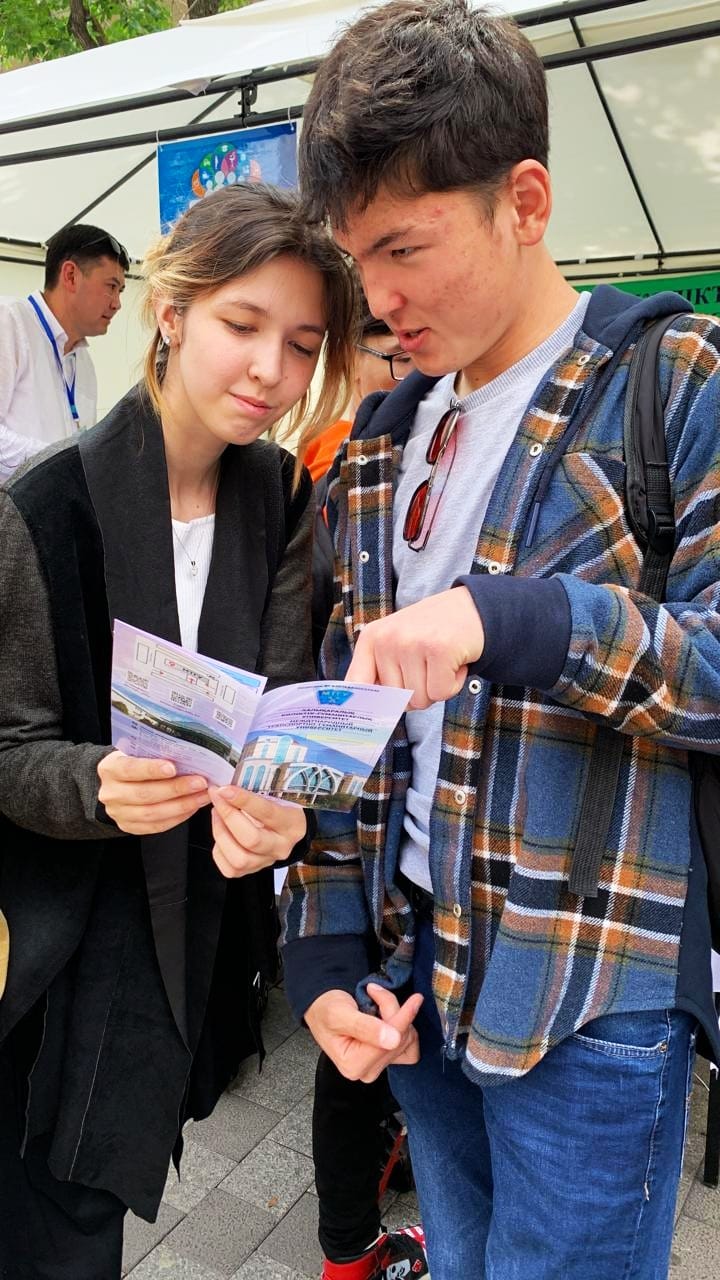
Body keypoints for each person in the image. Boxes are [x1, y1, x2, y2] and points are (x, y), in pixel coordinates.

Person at [280, 4, 720, 1279]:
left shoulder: (673, 380)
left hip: (590, 987)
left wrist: (517, 616)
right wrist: (321, 941)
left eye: (404, 247)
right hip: (412, 970)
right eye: (359, 257)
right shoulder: (380, 443)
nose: (381, 297)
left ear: (524, 200)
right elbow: (345, 710)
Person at [0, 182, 355, 1280]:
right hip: (57, 952)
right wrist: (94, 781)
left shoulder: (280, 494)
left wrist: (282, 807)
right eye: (242, 325)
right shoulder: (43, 504)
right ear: (171, 312)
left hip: (194, 930)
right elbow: (9, 746)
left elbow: (284, 701)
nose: (271, 371)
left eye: (302, 345)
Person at [306, 301, 427, 1280]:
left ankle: (359, 1228)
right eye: (383, 346)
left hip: (384, 839)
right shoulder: (342, 464)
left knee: (376, 1047)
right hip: (353, 832)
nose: (403, 359)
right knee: (356, 1042)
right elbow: (321, 674)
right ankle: (350, 1243)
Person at [0, 222, 130, 483]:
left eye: (120, 291)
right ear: (70, 276)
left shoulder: (83, 363)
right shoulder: (9, 322)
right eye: (111, 286)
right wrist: (60, 464)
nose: (117, 304)